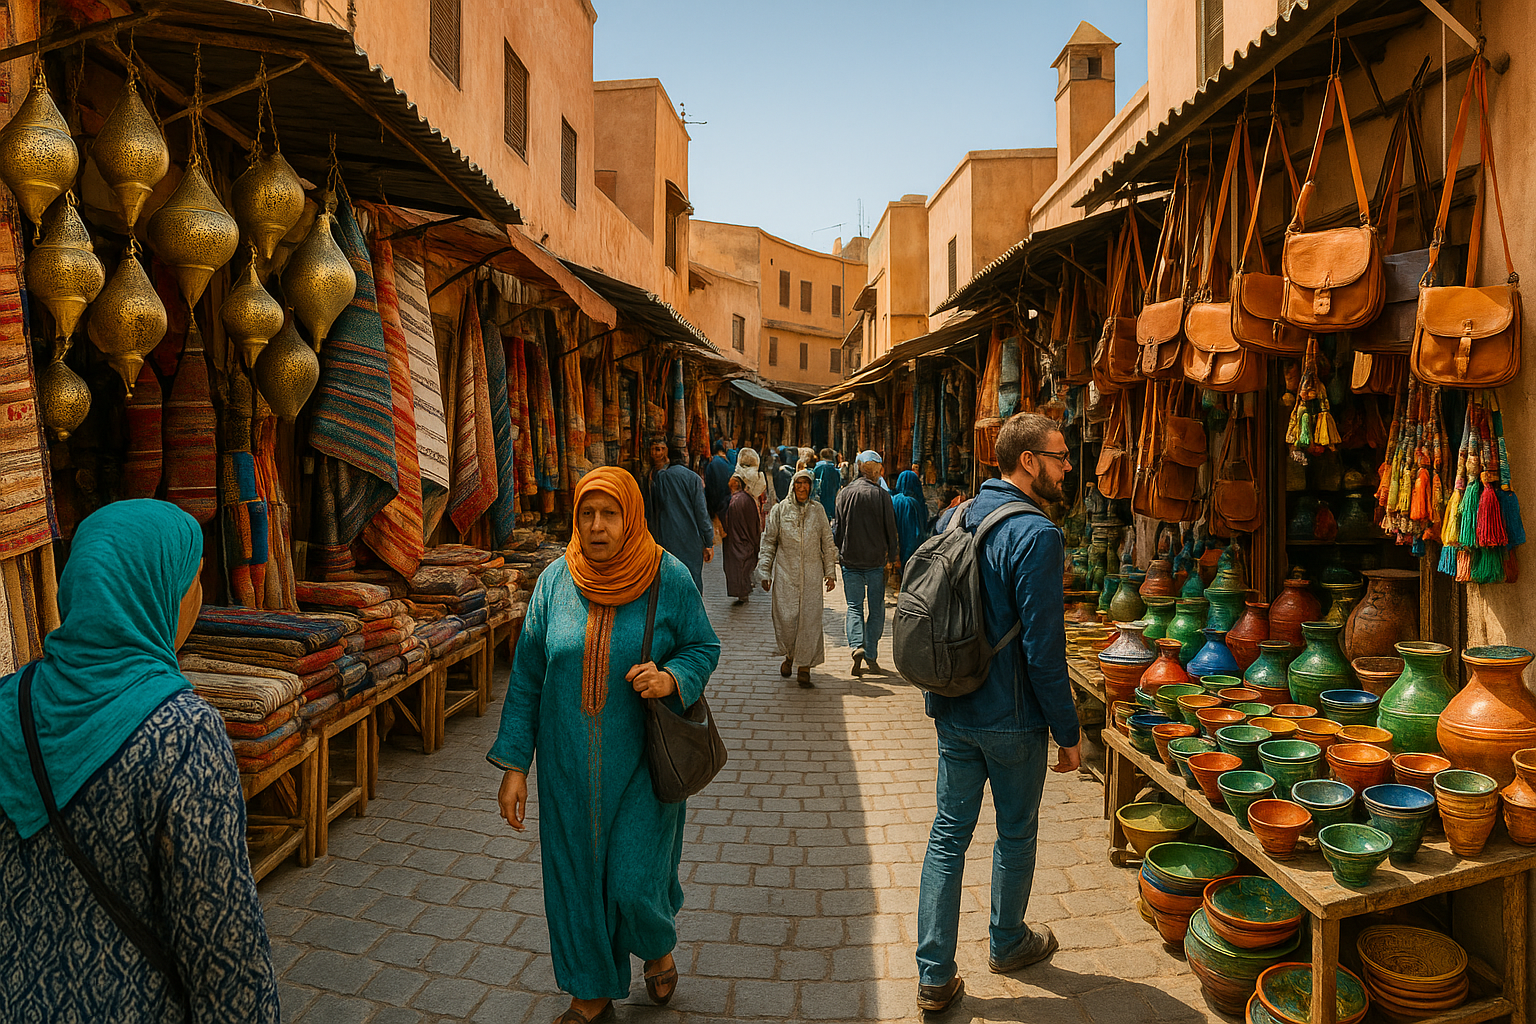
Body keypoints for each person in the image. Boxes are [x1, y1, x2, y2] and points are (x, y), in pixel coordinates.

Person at [0, 499, 279, 1022]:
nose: (198, 597)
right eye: (192, 581)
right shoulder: (184, 734)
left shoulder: (6, 706)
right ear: (159, 592)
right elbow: (226, 955)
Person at [491, 467, 721, 1024]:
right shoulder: (553, 582)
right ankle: (590, 993)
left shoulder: (667, 578)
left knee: (632, 880)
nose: (597, 526)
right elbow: (526, 675)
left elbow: (702, 646)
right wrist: (516, 764)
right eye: (587, 513)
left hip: (643, 758)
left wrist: (671, 679)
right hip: (567, 763)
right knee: (573, 878)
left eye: (609, 513)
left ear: (631, 516)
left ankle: (656, 942)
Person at [914, 413, 1081, 1015]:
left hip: (955, 707)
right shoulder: (1037, 534)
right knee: (1015, 833)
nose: (1068, 465)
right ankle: (1007, 941)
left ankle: (934, 973)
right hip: (1011, 718)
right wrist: (1068, 731)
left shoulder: (954, 515)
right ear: (1029, 462)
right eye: (1060, 456)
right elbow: (1043, 650)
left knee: (946, 837)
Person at [758, 469, 838, 687]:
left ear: (811, 486)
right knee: (787, 621)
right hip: (786, 575)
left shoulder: (818, 511)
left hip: (812, 576)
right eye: (799, 483)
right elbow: (768, 542)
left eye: (807, 483)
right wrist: (764, 571)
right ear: (792, 485)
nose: (802, 488)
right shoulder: (779, 511)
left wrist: (830, 572)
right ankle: (790, 656)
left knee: (810, 622)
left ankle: (805, 667)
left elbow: (827, 543)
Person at [833, 450, 900, 676]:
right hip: (874, 562)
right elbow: (891, 529)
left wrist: (837, 552)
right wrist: (893, 558)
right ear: (875, 471)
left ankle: (857, 646)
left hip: (849, 560)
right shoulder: (881, 495)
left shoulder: (844, 494)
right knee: (876, 609)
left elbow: (838, 529)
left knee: (854, 607)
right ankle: (870, 653)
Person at [642, 437, 715, 593]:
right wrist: (708, 542)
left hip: (667, 542)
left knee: (671, 585)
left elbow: (652, 511)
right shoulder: (693, 478)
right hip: (691, 544)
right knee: (692, 585)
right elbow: (702, 513)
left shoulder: (659, 478)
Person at [721, 473, 763, 605]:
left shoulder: (737, 500)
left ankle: (743, 591)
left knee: (739, 565)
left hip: (738, 539)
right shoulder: (744, 498)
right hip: (742, 539)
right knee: (741, 565)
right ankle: (743, 590)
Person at [892, 469, 930, 569]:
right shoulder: (914, 503)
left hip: (895, 550)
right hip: (911, 553)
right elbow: (915, 534)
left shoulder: (893, 500)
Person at [733, 447, 777, 522]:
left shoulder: (735, 479)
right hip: (755, 516)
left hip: (741, 517)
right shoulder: (760, 479)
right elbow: (764, 501)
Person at [703, 439, 732, 522]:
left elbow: (709, 488)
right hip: (725, 506)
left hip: (715, 507)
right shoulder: (729, 464)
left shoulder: (712, 464)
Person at [813, 448, 841, 524]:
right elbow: (838, 486)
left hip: (817, 500)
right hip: (831, 499)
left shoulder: (817, 468)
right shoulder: (836, 470)